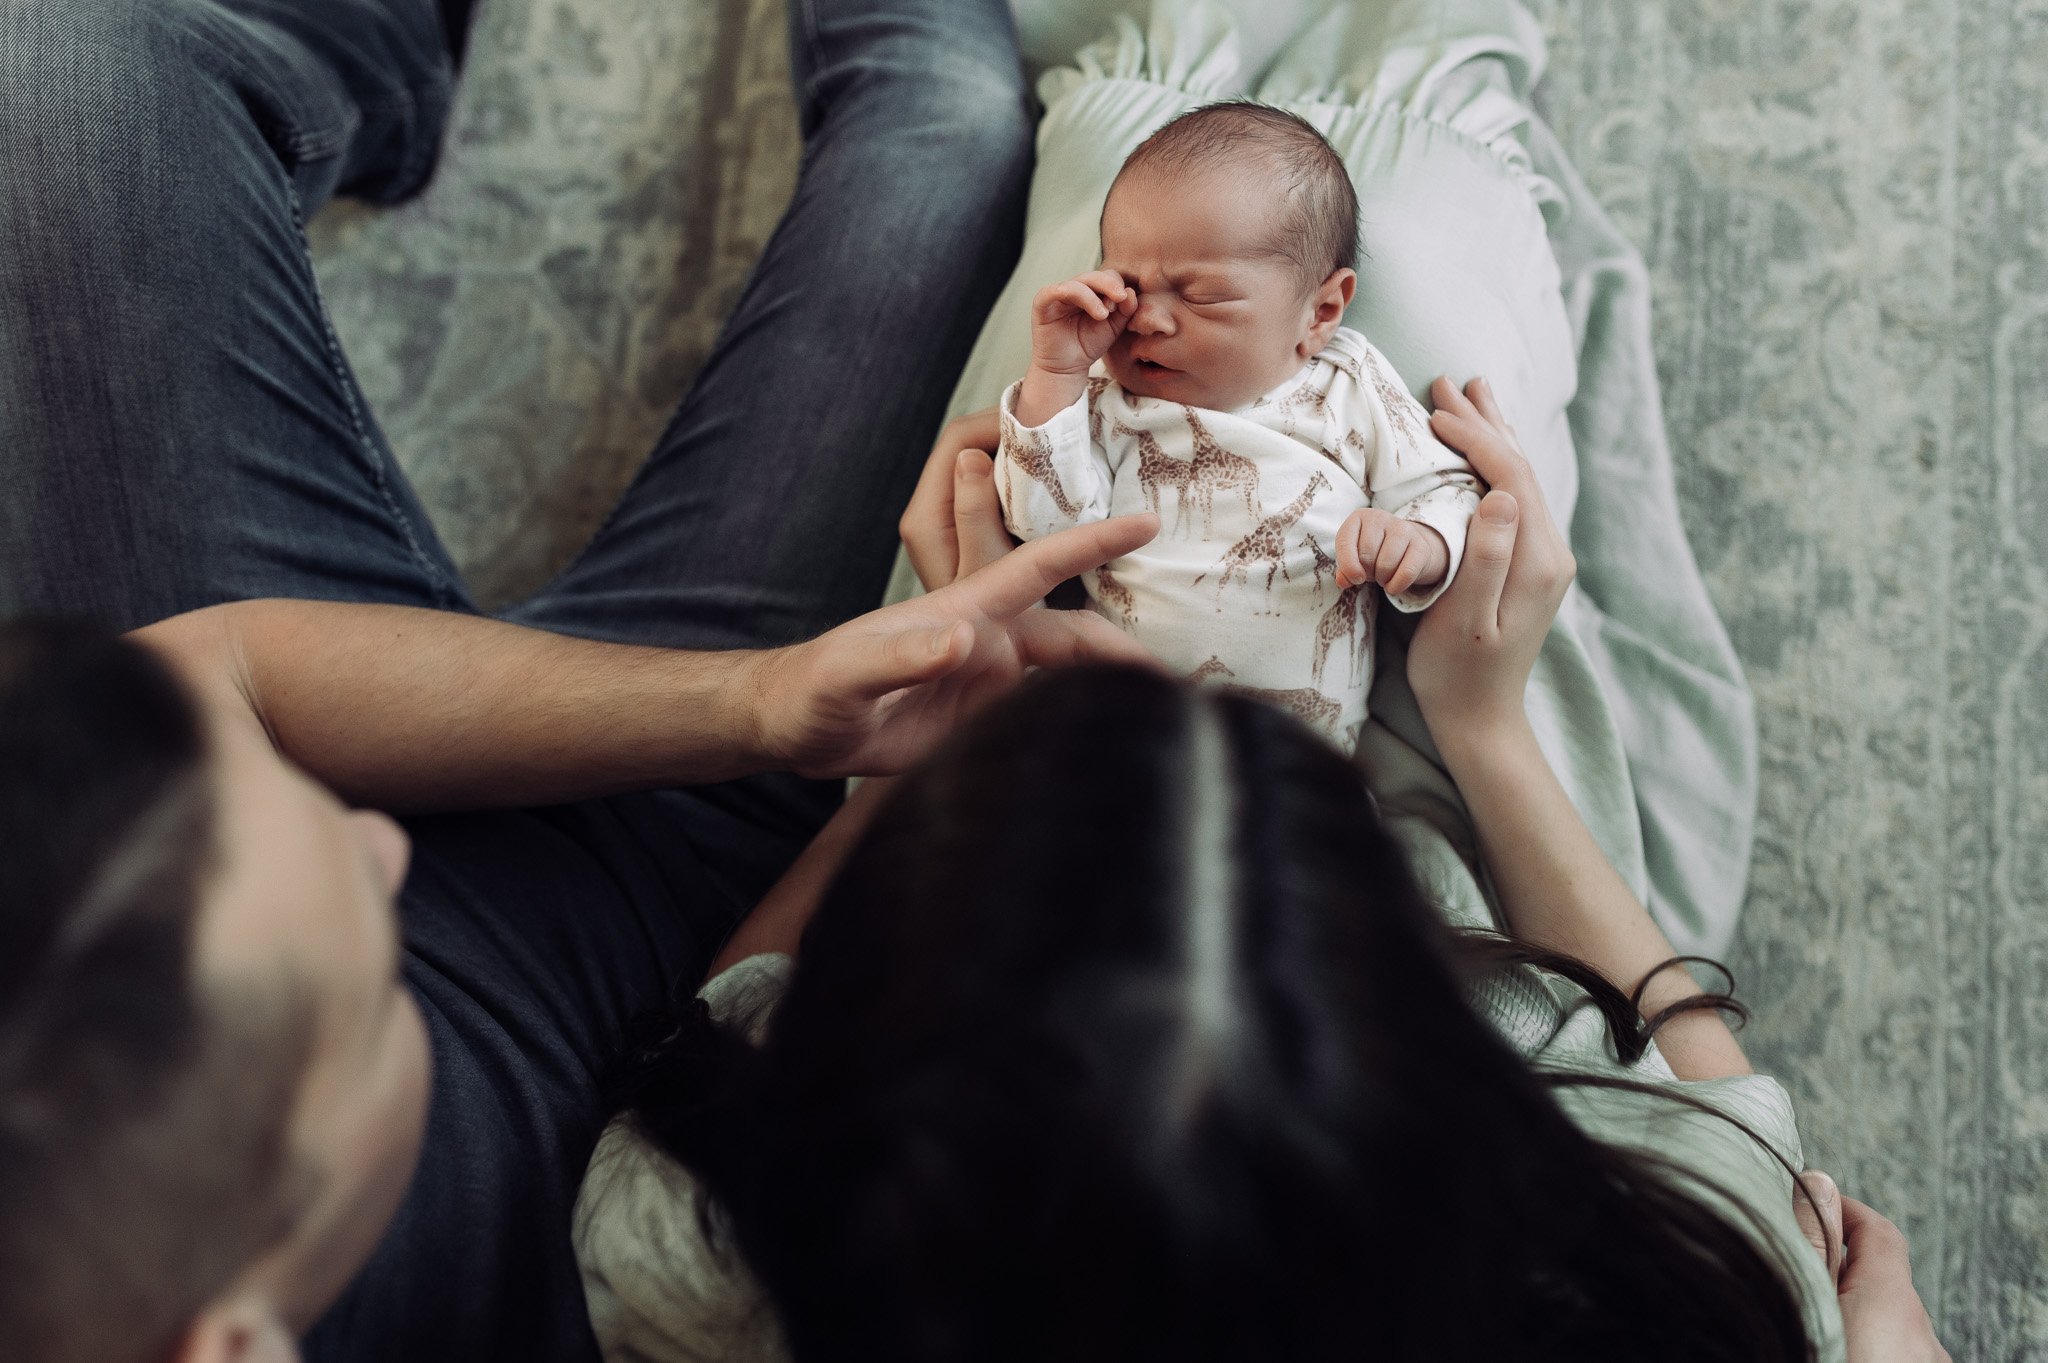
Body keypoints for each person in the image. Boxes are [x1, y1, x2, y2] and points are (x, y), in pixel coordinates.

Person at [0, 0, 1154, 1360]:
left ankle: (380, 62)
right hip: (677, 924)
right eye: (364, 1003)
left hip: (470, 692)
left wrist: (759, 698)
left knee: (63, 62)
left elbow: (228, 670)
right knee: (945, 133)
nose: (385, 844)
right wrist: (861, 793)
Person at [576, 377, 1951, 1363]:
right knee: (1441, 254)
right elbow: (1721, 1105)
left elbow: (734, 1001)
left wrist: (927, 763)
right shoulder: (1676, 1273)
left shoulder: (689, 1242)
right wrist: (1484, 725)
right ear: (1422, 1010)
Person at [995, 101, 1480, 749]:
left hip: (1301, 765)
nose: (1148, 321)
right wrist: (1054, 376)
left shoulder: (1345, 383)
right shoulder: (1103, 397)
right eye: (1127, 286)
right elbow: (1044, 533)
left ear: (1321, 310)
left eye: (1199, 295)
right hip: (1113, 733)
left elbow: (1447, 485)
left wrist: (1418, 543)